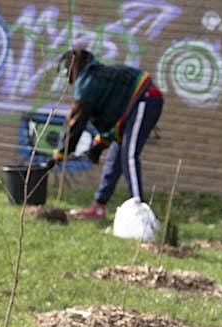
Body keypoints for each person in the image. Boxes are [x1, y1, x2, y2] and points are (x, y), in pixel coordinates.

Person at [52, 47, 164, 220]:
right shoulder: (96, 78)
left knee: (129, 155)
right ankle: (98, 207)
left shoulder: (86, 82)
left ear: (70, 69)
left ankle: (142, 212)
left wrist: (60, 153)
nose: (69, 81)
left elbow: (76, 124)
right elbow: (114, 120)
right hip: (134, 105)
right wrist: (100, 143)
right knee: (114, 158)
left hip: (146, 98)